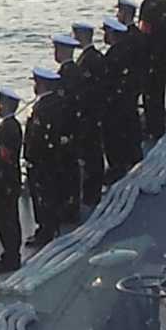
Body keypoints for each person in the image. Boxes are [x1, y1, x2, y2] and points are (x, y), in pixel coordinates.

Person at [23, 66, 66, 249]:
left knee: (43, 197)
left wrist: (31, 157)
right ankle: (52, 225)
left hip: (42, 161)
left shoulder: (42, 108)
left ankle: (46, 230)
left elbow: (38, 137)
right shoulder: (57, 103)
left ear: (41, 85)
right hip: (52, 158)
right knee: (51, 193)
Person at [100, 14, 142, 184]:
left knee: (115, 134)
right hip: (127, 97)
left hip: (115, 102)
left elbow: (108, 81)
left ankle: (118, 166)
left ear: (112, 34)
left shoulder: (113, 55)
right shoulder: (127, 49)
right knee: (130, 126)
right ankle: (133, 156)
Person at [72, 19, 106, 208]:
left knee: (90, 154)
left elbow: (85, 92)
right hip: (96, 113)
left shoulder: (87, 62)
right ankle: (94, 189)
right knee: (94, 152)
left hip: (88, 115)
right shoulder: (96, 57)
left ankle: (91, 193)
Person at [51, 32, 82, 224]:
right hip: (74, 128)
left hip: (66, 131)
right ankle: (71, 206)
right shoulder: (75, 71)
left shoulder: (64, 76)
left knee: (66, 171)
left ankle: (69, 208)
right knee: (71, 169)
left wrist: (62, 132)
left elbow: (64, 107)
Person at [0, 85, 24, 272]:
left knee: (7, 220)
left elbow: (3, 156)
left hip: (6, 180)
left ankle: (11, 257)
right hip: (11, 178)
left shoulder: (6, 128)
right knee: (9, 218)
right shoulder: (12, 125)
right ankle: (11, 254)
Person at [136, 0, 166, 141]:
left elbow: (145, 34)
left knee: (151, 94)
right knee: (158, 93)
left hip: (151, 56)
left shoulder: (148, 6)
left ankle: (153, 128)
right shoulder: (160, 0)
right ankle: (158, 125)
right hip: (161, 54)